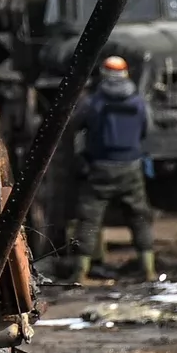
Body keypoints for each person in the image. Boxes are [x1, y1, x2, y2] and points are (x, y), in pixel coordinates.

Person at [73, 55, 156, 283]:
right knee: (139, 217)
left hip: (99, 167)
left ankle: (81, 273)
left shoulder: (93, 101)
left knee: (89, 219)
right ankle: (148, 269)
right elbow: (147, 129)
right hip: (131, 166)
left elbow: (75, 123)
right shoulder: (138, 102)